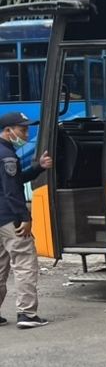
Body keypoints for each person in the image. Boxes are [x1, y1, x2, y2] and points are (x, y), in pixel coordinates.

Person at [0, 111, 52, 329]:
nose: (26, 133)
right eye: (22, 129)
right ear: (8, 130)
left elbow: (16, 178)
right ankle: (27, 314)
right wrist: (25, 218)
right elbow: (12, 190)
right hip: (11, 218)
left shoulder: (5, 152)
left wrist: (38, 166)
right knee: (24, 265)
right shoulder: (7, 155)